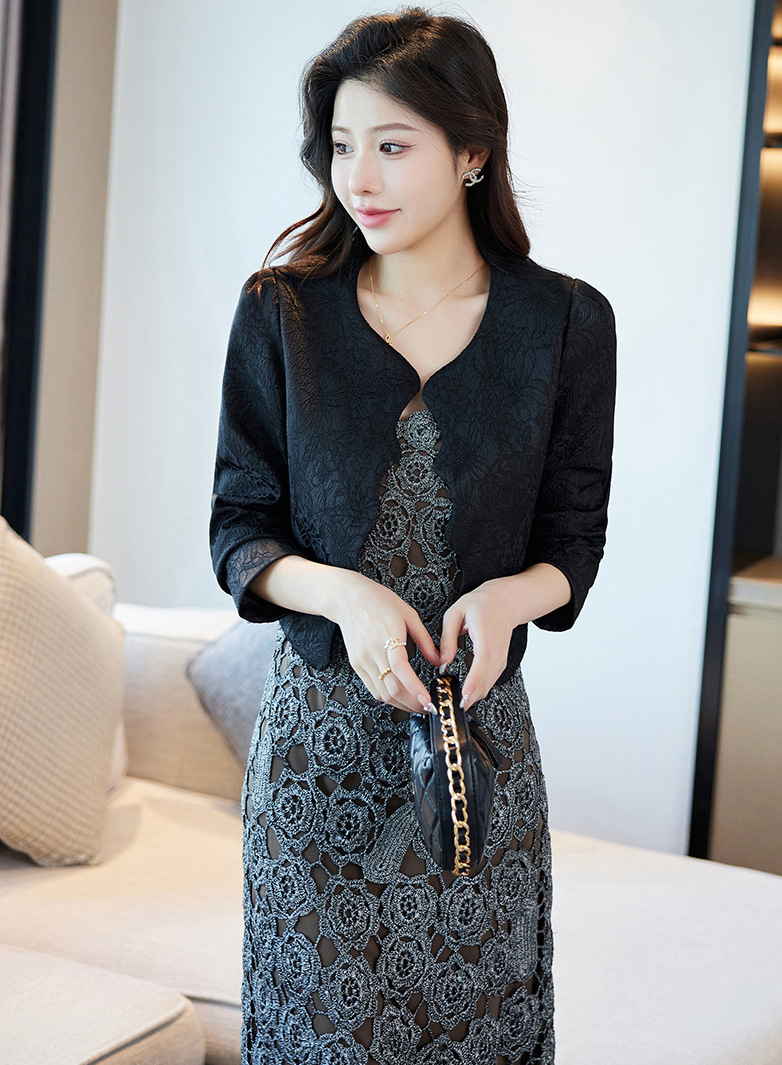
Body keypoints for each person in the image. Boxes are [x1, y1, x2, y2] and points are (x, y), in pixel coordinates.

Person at [209, 6, 617, 1064]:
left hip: (476, 764)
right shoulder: (283, 313)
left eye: (392, 146)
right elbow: (239, 530)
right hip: (314, 770)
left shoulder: (567, 324)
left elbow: (573, 540)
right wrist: (342, 595)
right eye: (342, 147)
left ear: (472, 151)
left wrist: (510, 597)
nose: (359, 178)